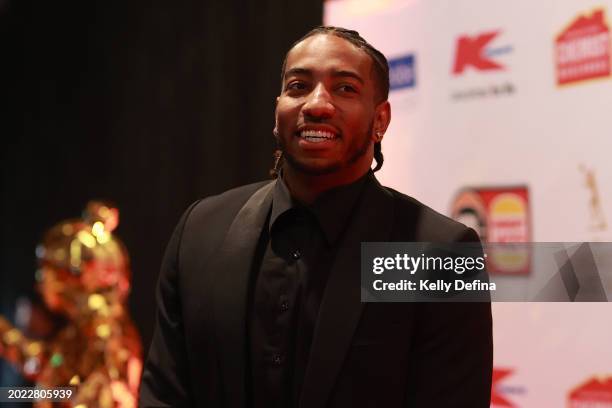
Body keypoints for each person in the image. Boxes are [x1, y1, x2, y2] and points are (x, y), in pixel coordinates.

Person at [139, 26, 492, 408]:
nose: (316, 104)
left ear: (381, 120)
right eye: (298, 86)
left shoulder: (437, 253)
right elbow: (164, 393)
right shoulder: (201, 230)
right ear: (277, 111)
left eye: (344, 88)